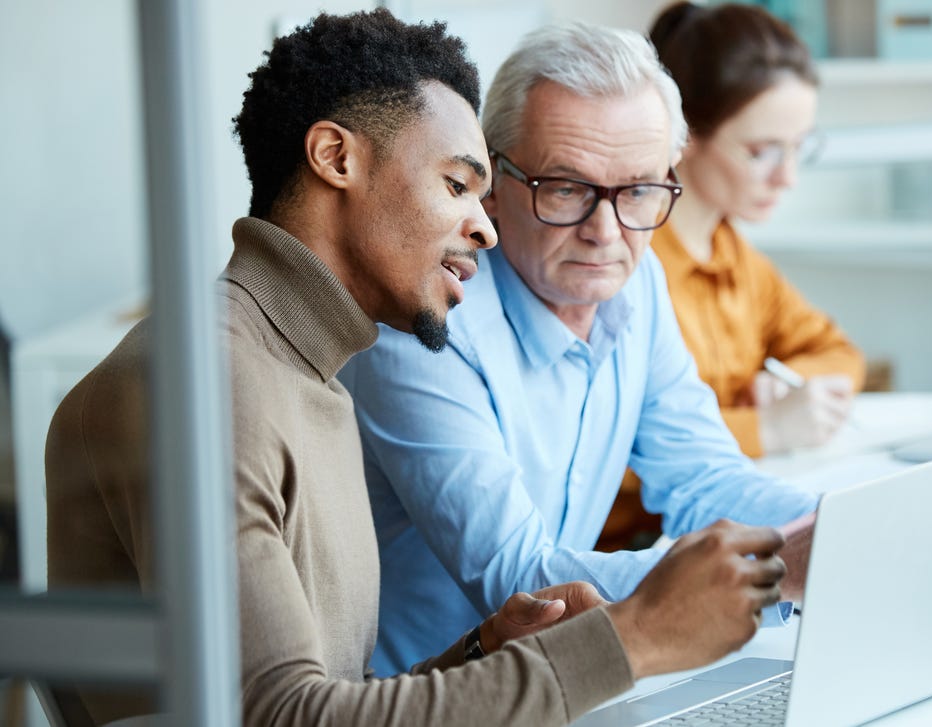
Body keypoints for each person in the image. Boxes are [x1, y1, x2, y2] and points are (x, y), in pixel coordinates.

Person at [43, 11, 787, 726]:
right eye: (458, 185)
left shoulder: (307, 367)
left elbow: (336, 695)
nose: (486, 227)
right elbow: (280, 718)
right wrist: (636, 636)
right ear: (337, 159)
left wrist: (480, 650)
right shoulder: (209, 382)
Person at [339, 21, 819, 676]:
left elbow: (701, 475)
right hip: (427, 697)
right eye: (566, 189)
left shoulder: (636, 281)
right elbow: (524, 583)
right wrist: (778, 567)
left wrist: (833, 528)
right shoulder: (423, 325)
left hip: (567, 680)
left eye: (638, 191)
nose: (607, 232)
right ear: (492, 184)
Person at [599, 1, 868, 551]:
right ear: (683, 137)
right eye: (762, 151)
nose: (788, 177)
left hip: (710, 530)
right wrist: (765, 429)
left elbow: (837, 352)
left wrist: (792, 383)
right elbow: (596, 454)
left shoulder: (733, 254)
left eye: (799, 148)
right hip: (627, 555)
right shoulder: (617, 265)